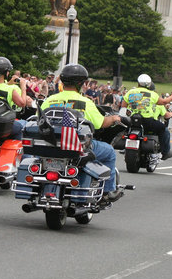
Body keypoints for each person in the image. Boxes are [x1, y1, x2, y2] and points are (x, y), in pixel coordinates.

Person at [42, 63, 122, 201]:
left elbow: (41, 120)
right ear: (81, 83)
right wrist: (114, 118)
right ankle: (108, 191)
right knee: (109, 151)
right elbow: (101, 124)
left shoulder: (50, 100)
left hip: (51, 145)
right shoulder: (85, 102)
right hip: (76, 146)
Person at [121, 74, 172, 159]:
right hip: (147, 122)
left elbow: (123, 107)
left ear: (138, 83)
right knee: (164, 130)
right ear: (149, 84)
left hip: (131, 121)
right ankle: (165, 152)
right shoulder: (152, 94)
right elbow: (164, 102)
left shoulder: (130, 92)